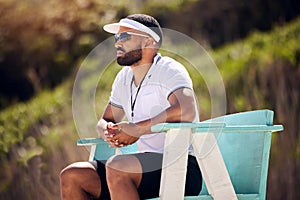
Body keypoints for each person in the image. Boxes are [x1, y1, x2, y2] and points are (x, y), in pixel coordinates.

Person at [60, 13, 202, 200]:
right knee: (72, 176)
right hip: (141, 167)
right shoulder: (123, 78)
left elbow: (186, 109)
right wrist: (108, 131)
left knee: (117, 167)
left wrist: (136, 129)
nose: (117, 43)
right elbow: (106, 119)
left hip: (182, 166)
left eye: (125, 37)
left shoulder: (169, 69)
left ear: (149, 42)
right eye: (116, 37)